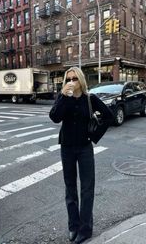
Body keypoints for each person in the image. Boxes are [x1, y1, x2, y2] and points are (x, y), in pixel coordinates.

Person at [49, 67, 113, 244]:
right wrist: (62, 96)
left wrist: (94, 136)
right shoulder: (63, 99)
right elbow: (54, 117)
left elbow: (109, 116)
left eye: (74, 79)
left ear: (81, 81)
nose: (71, 82)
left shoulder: (90, 99)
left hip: (85, 148)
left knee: (86, 190)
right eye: (68, 79)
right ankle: (73, 226)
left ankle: (85, 229)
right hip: (67, 148)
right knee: (70, 189)